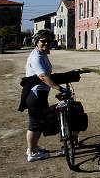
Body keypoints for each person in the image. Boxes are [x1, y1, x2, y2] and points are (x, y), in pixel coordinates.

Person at [24, 29, 69, 162]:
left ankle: (33, 147)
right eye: (43, 41)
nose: (46, 44)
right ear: (36, 42)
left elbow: (48, 74)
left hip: (40, 94)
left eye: (49, 42)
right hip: (35, 94)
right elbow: (43, 76)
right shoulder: (36, 56)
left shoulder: (42, 54)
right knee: (35, 124)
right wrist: (59, 88)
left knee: (39, 122)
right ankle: (32, 153)